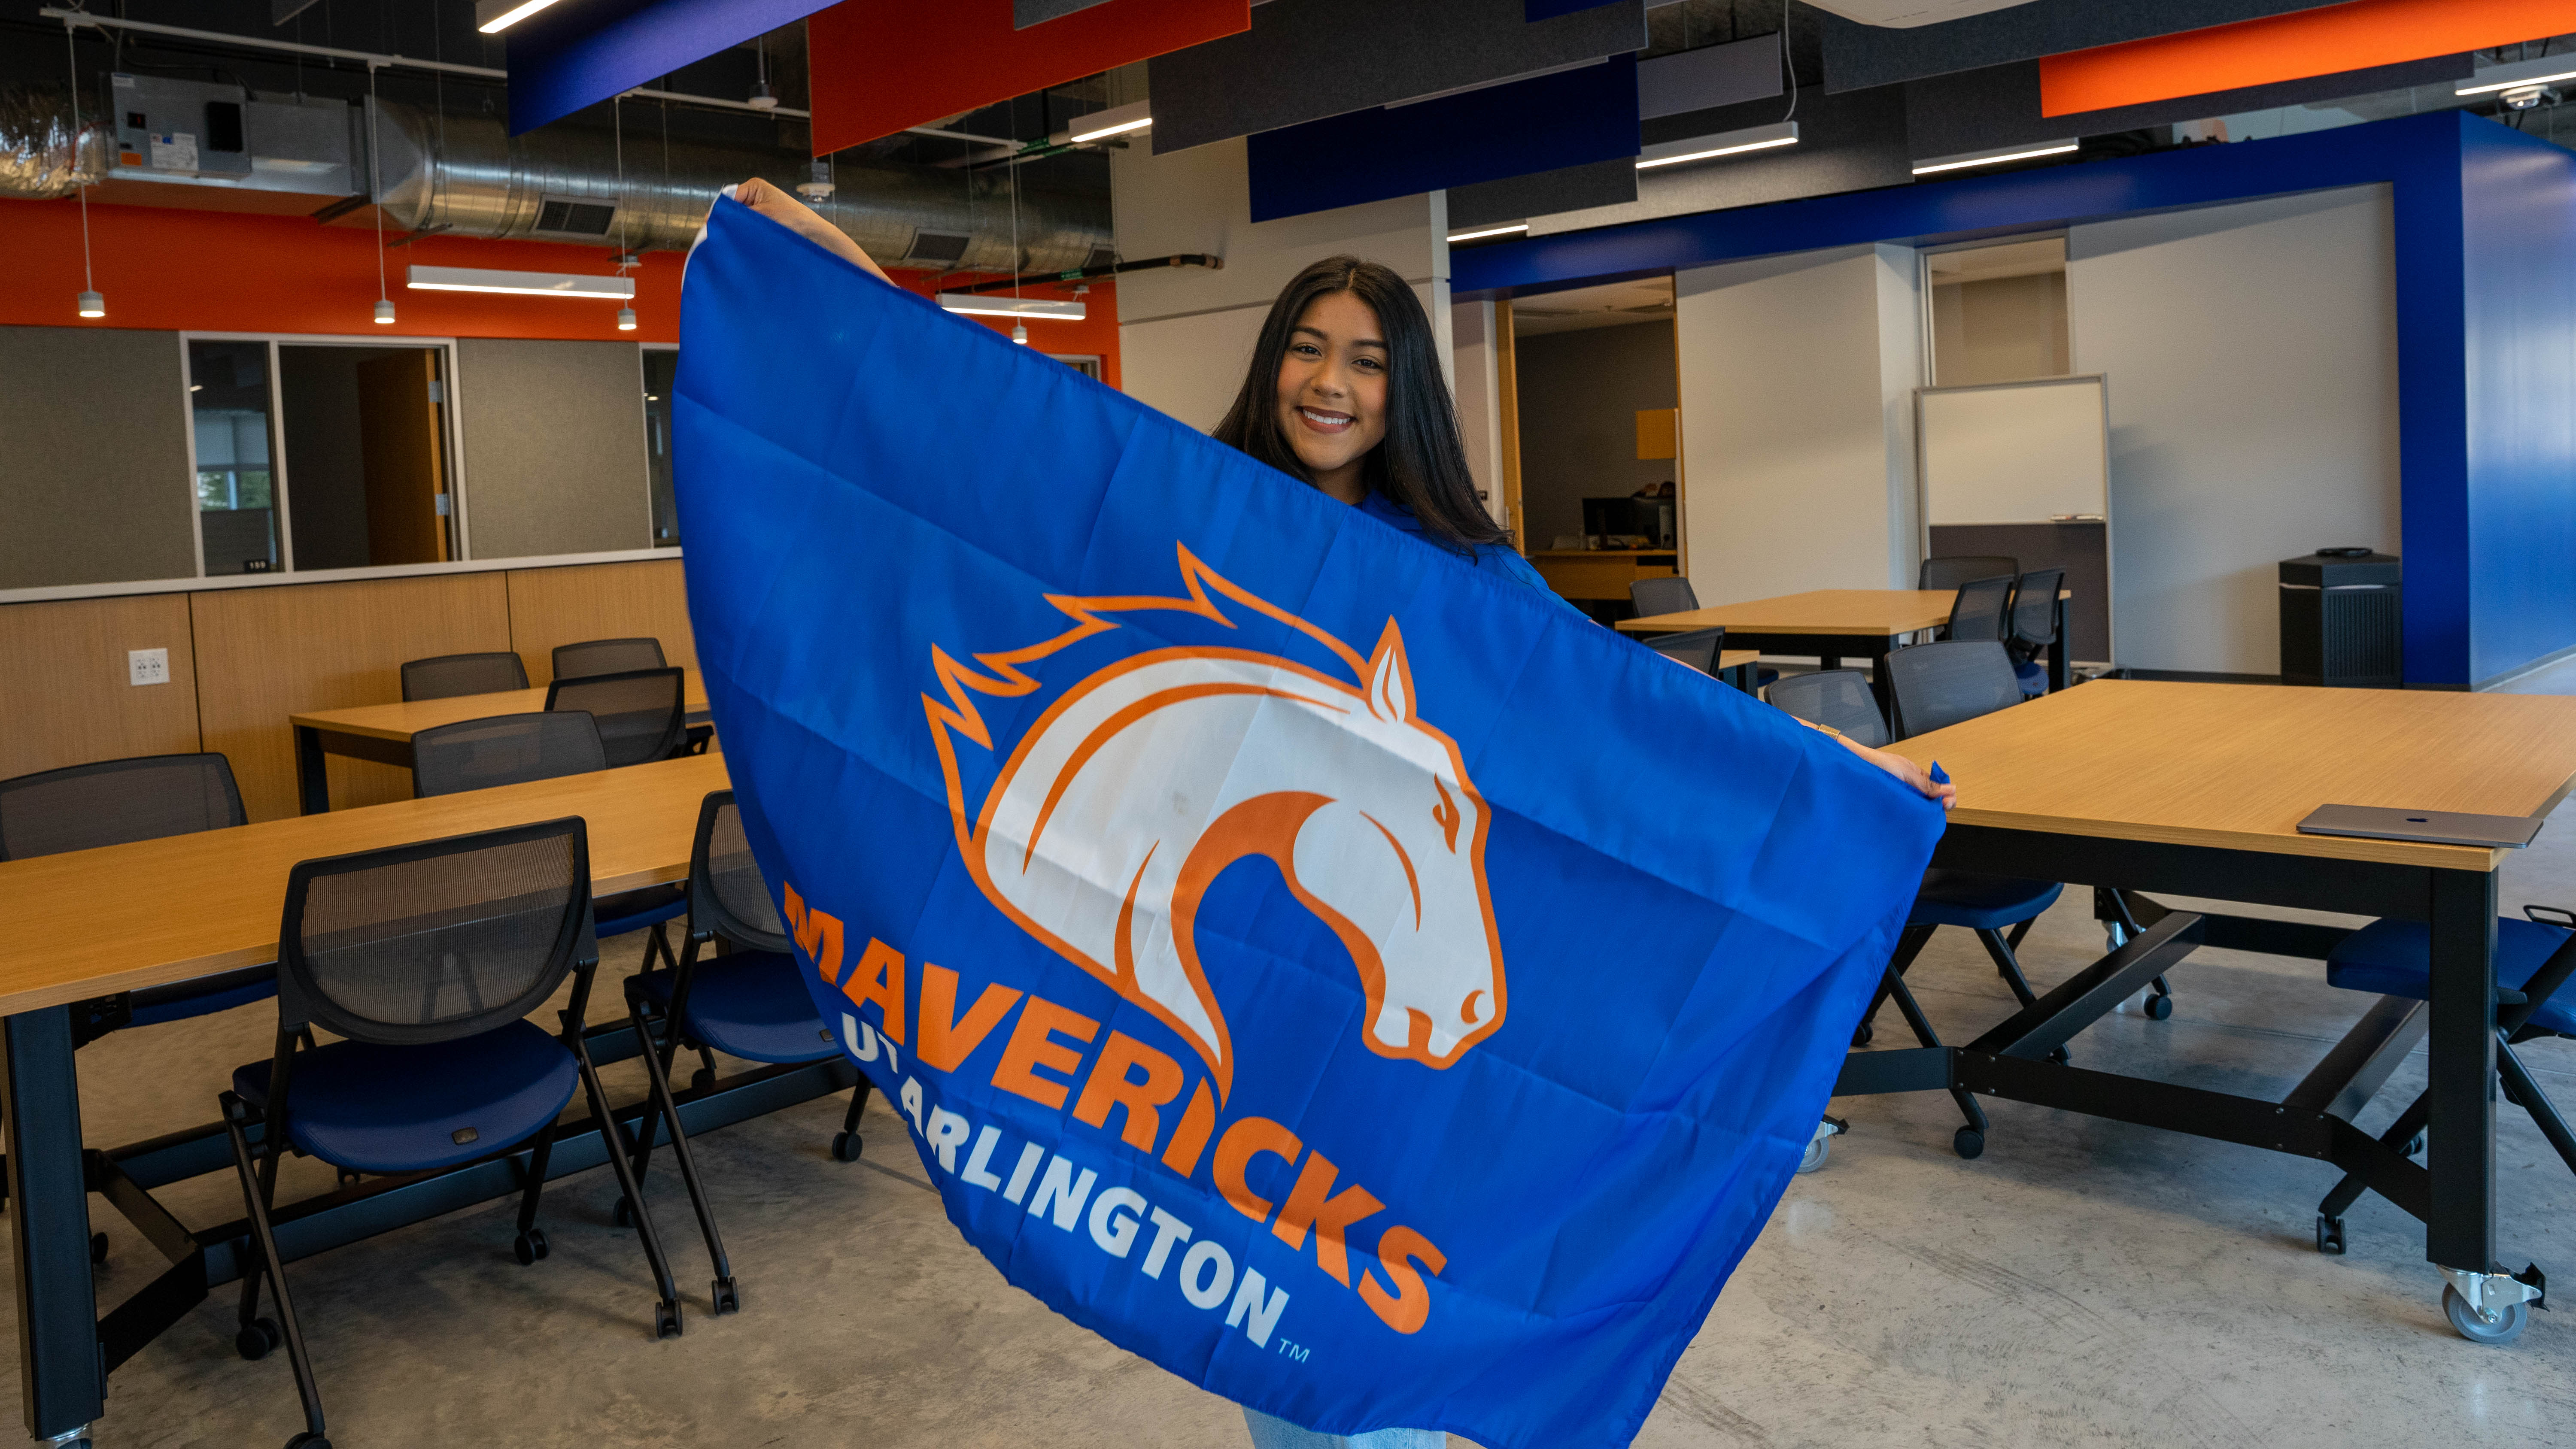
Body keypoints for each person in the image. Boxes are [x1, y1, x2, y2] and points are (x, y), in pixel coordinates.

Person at [717, 179, 1954, 1449]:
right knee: (1282, 1333)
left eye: (1365, 360)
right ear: (1271, 366)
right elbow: (984, 452)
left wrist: (1830, 765)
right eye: (1307, 348)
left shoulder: (1466, 583)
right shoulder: (1194, 514)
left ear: (1401, 388)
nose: (1330, 381)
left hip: (1376, 1028)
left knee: (1384, 1324)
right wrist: (826, 273)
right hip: (1252, 1005)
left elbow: (1629, 724)